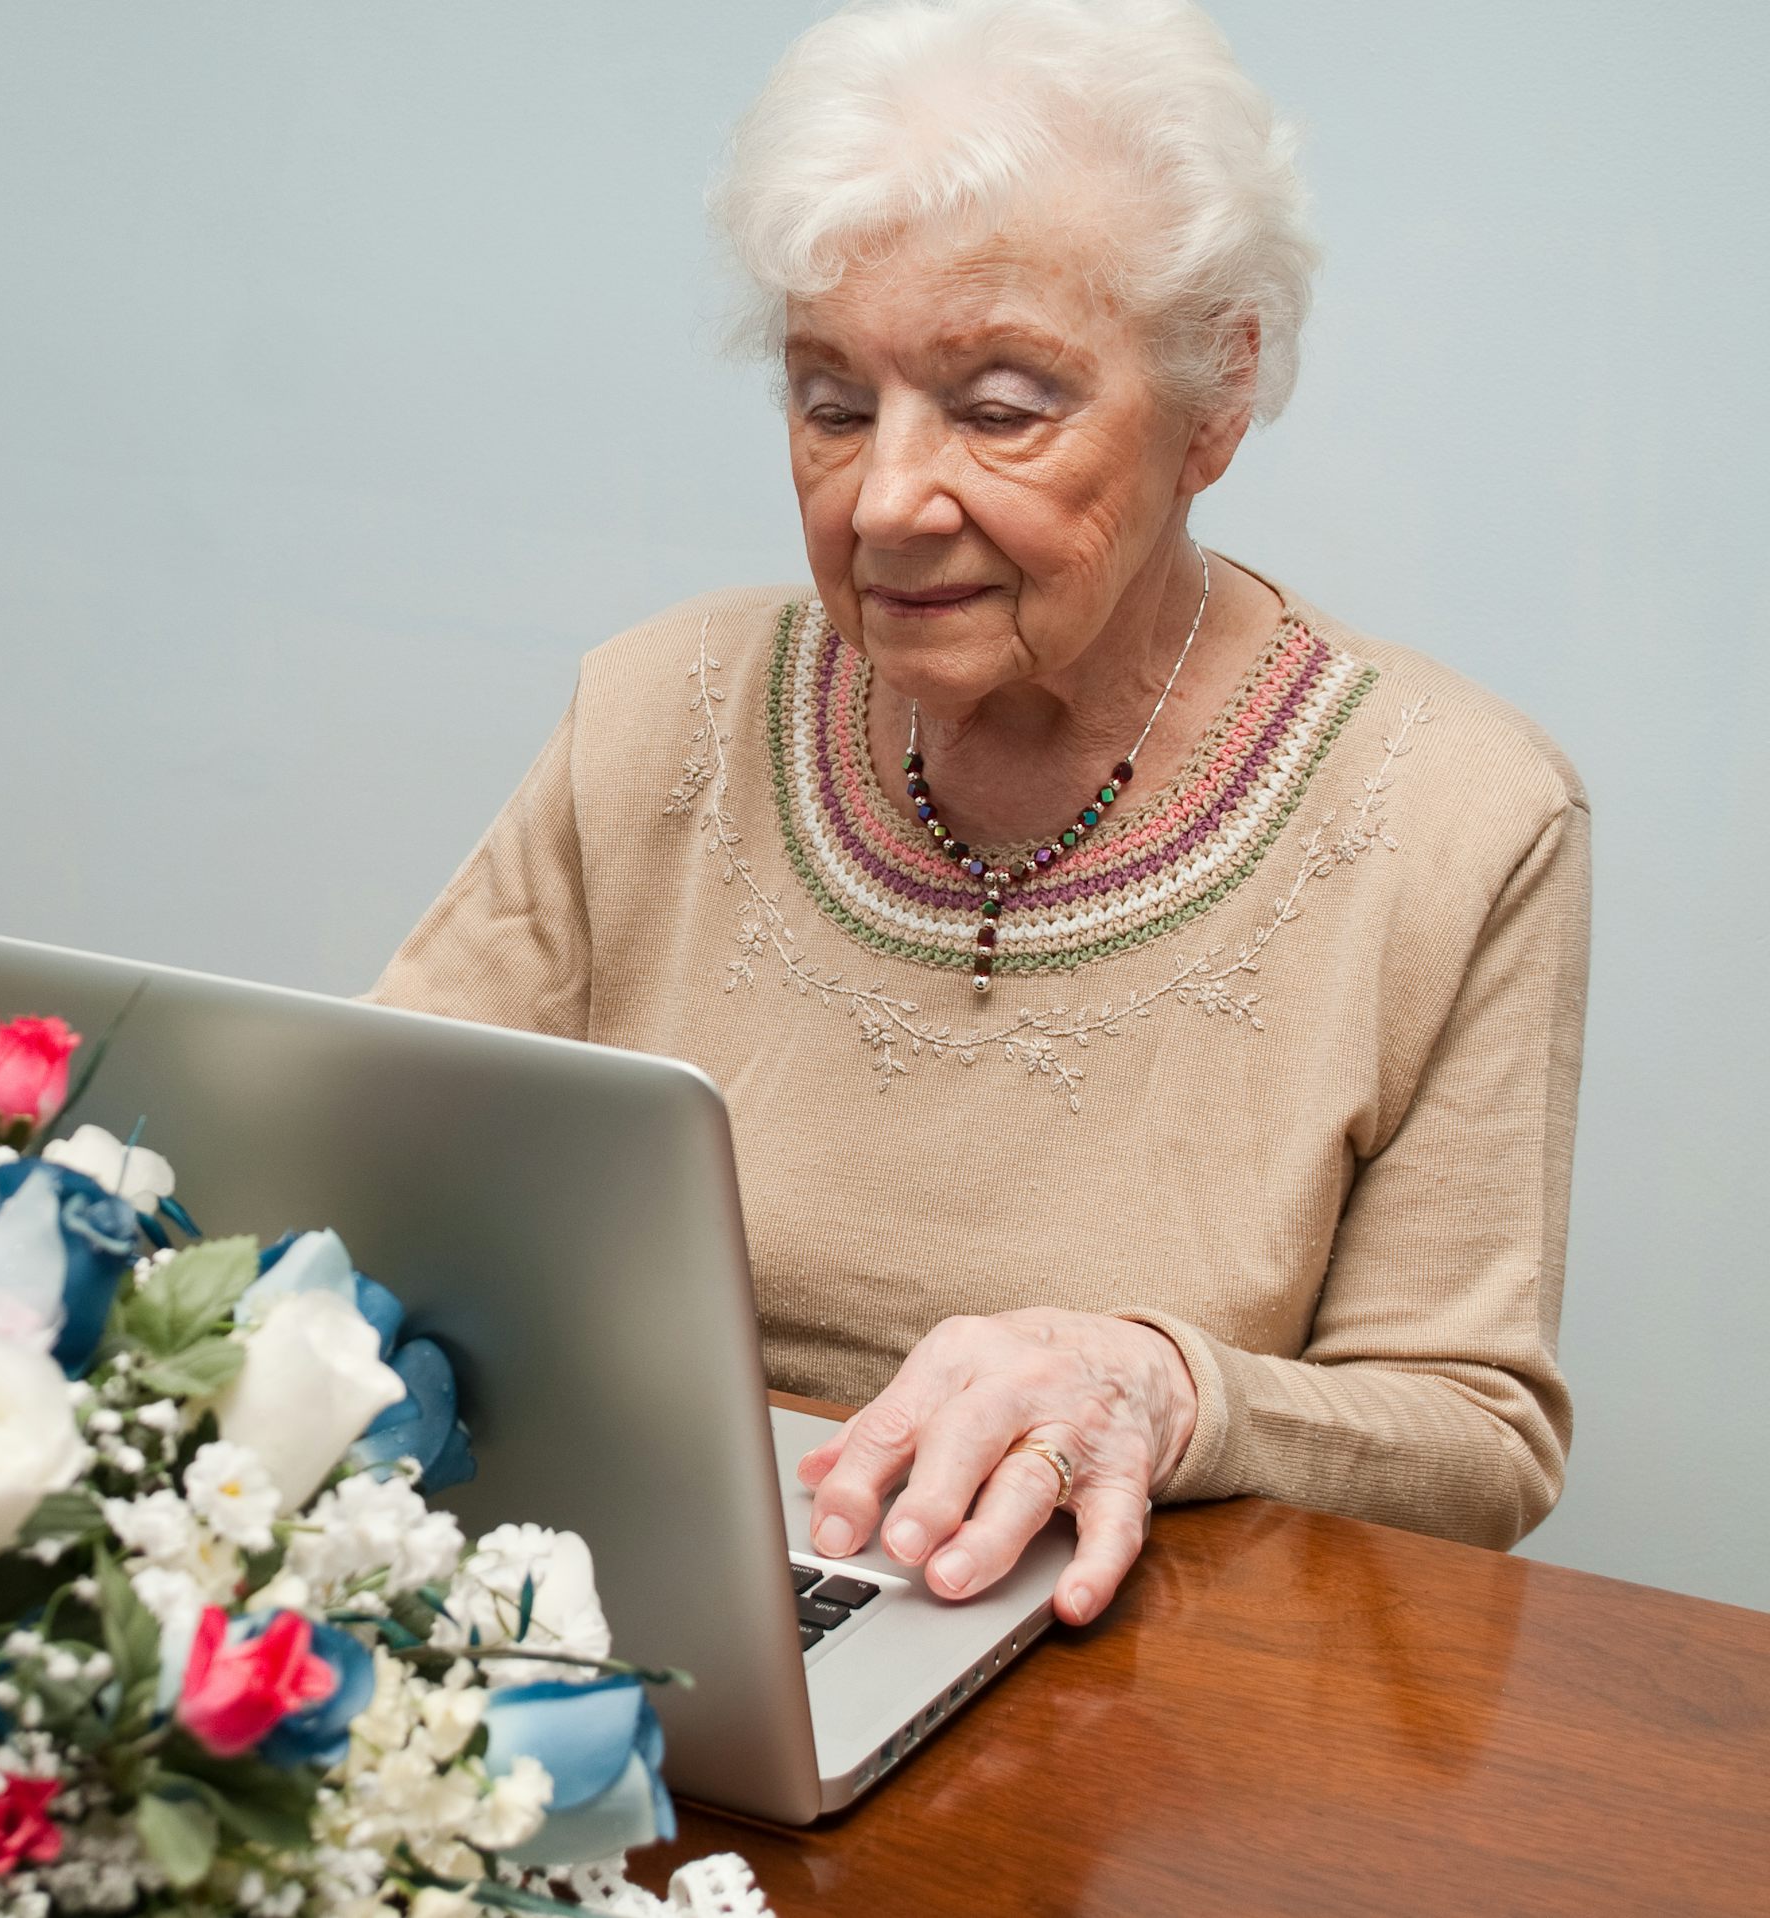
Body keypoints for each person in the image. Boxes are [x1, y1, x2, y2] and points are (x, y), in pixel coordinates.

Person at [370, 0, 1589, 1629]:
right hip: (636, 1597)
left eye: (1001, 407)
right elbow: (365, 1171)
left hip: (1137, 1689)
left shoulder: (1461, 817)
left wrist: (1167, 1389)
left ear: (1214, 401)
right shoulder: (661, 712)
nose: (883, 498)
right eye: (832, 401)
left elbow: (1475, 1439)